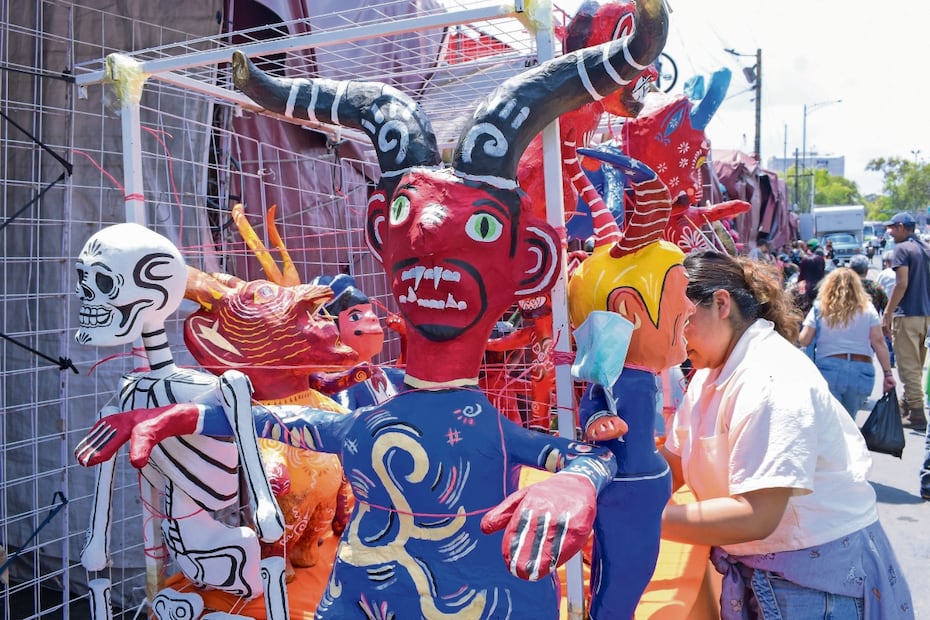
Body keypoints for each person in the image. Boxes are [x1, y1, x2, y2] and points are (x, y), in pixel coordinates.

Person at [660, 250, 914, 619]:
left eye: (680, 320)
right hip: (780, 580)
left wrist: (645, 519)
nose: (672, 337)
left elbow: (756, 515)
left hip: (815, 589)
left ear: (721, 304)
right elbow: (672, 464)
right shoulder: (710, 374)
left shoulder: (771, 378)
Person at [798, 267, 895, 417]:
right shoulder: (868, 308)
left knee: (832, 419)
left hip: (829, 368)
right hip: (861, 370)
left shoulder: (820, 308)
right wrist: (888, 373)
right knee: (850, 419)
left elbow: (804, 339)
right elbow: (879, 342)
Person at [882, 212, 930, 432]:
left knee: (908, 366)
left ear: (902, 227)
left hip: (907, 315)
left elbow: (901, 284)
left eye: (892, 228)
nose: (890, 232)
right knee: (916, 366)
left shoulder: (902, 249)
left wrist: (887, 312)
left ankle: (917, 413)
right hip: (925, 316)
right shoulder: (925, 249)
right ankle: (906, 405)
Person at [875, 250, 897, 367]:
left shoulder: (883, 274)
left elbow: (877, 288)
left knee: (887, 331)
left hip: (887, 306)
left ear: (887, 262)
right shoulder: (903, 272)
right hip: (901, 307)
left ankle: (891, 358)